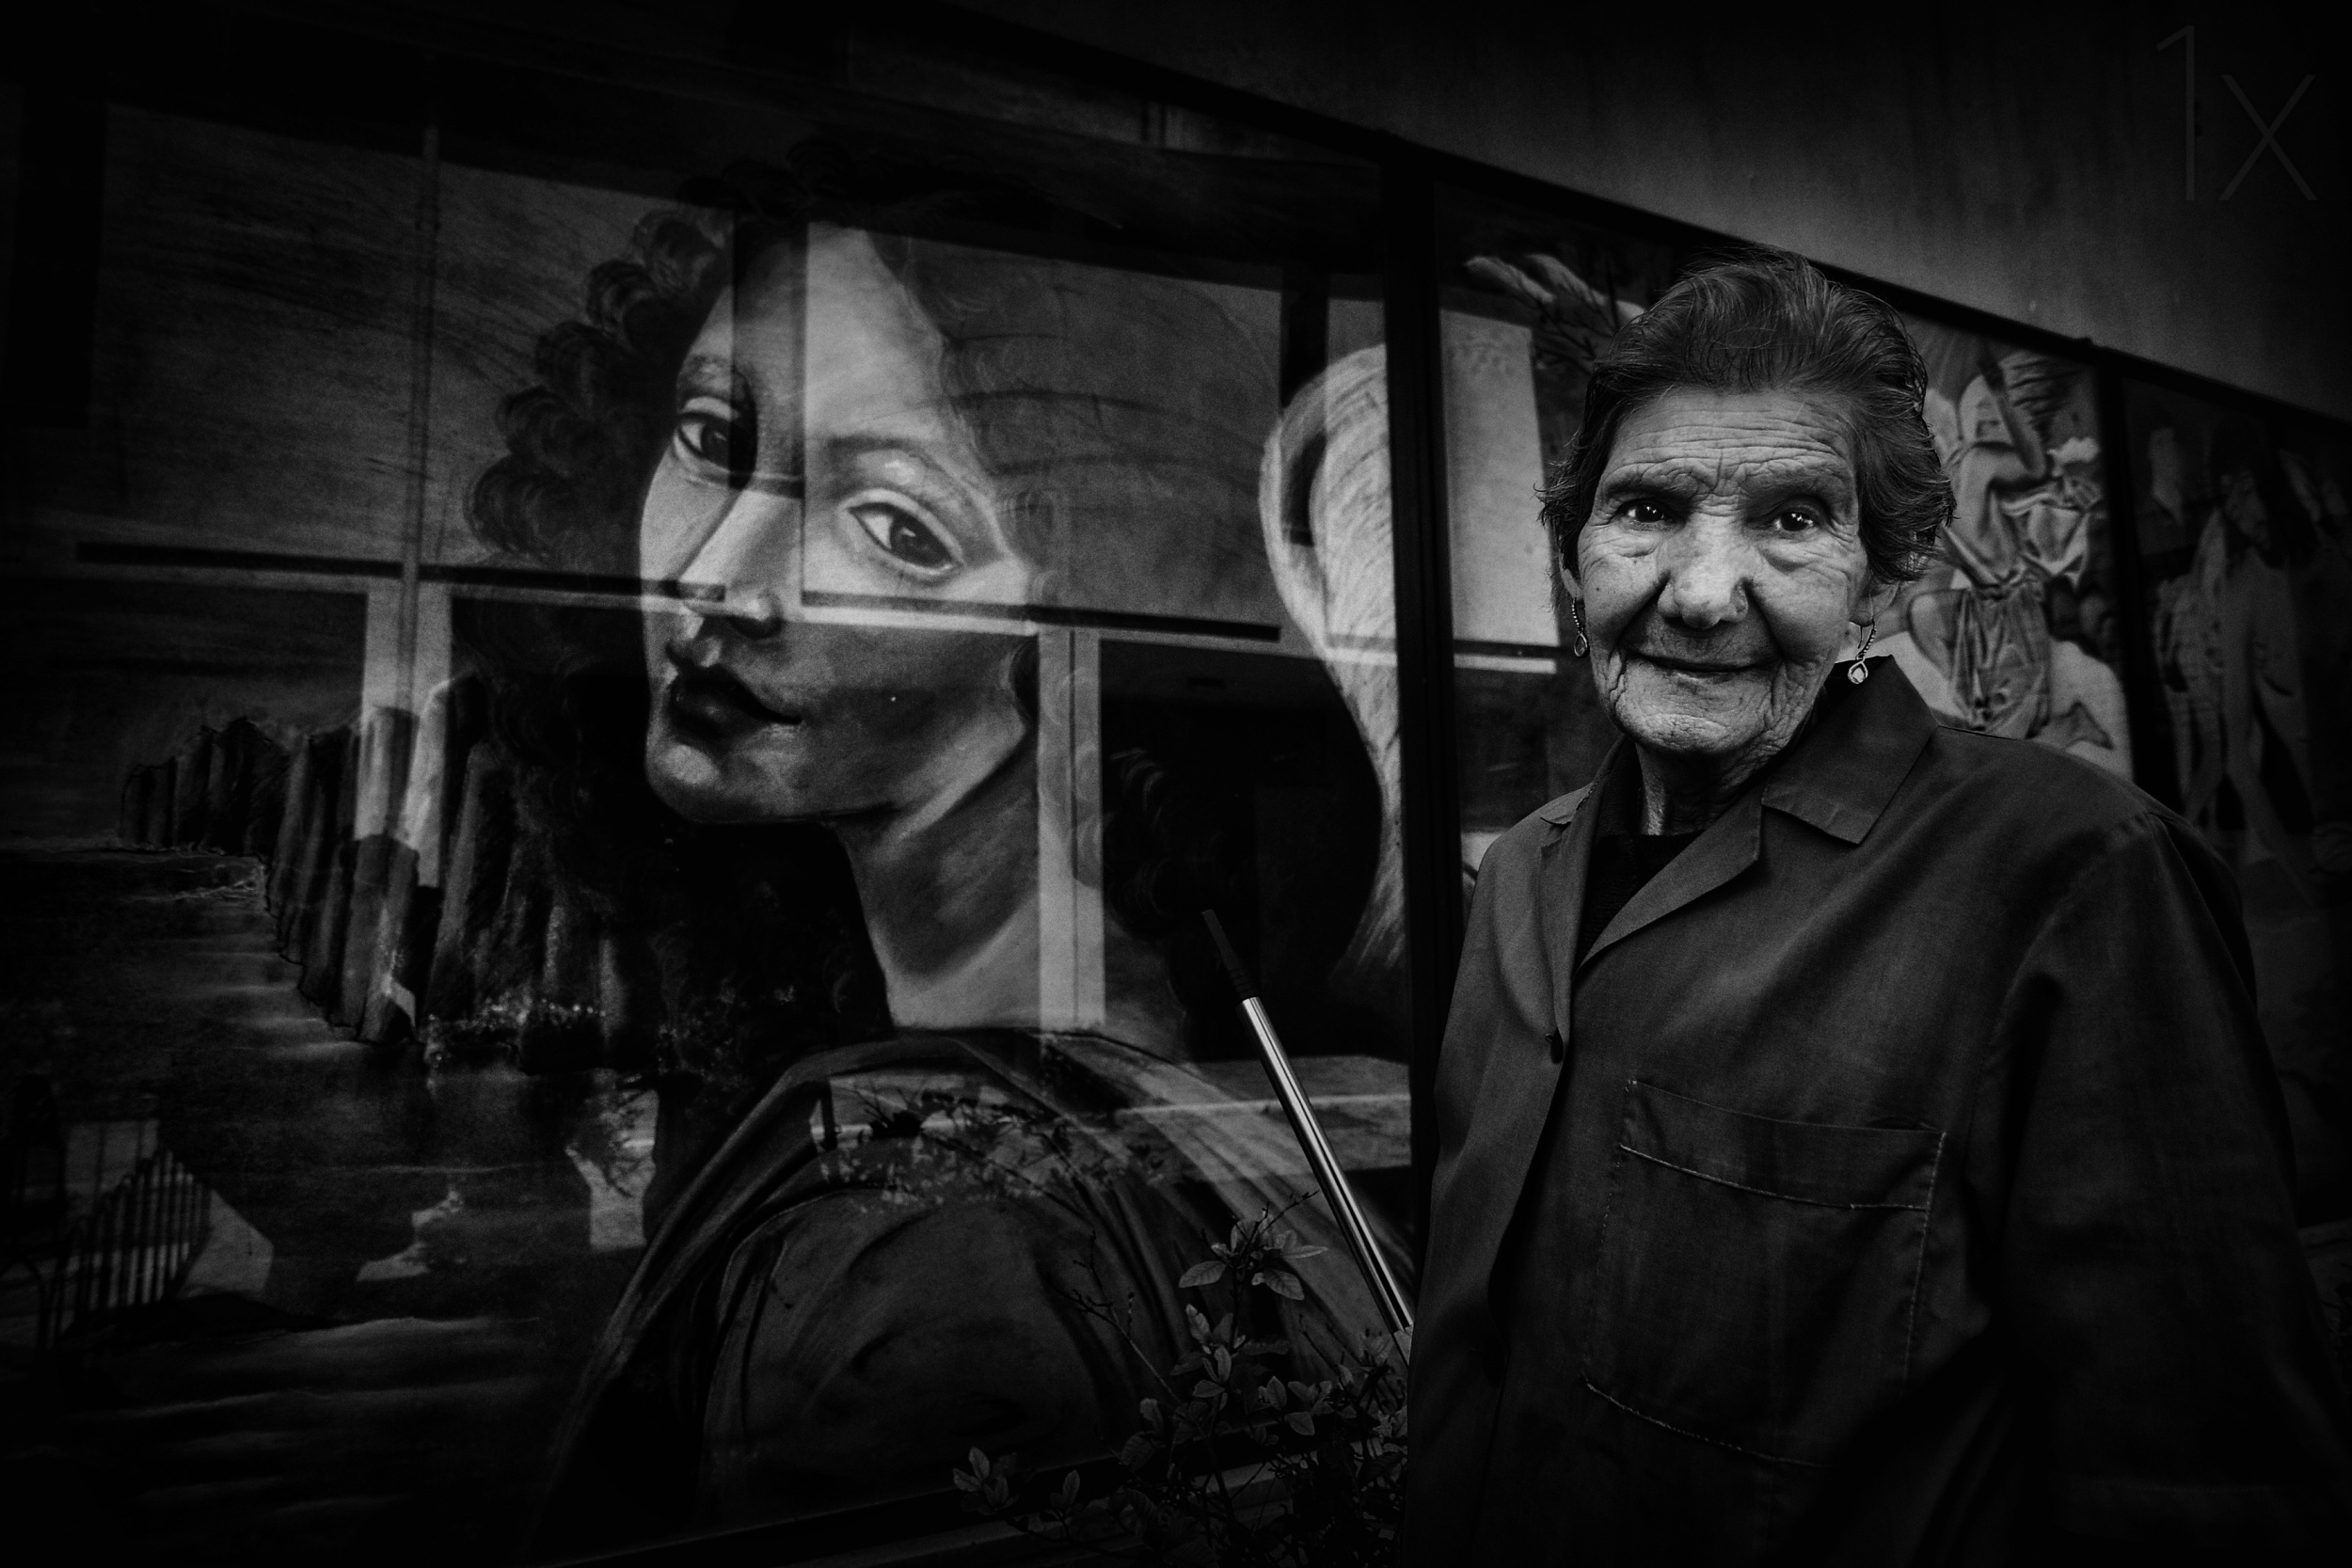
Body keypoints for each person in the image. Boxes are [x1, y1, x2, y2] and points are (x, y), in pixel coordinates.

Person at [474, 158, 1395, 1552]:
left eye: (895, 527)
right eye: (713, 439)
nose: (719, 572)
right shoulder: (1083, 1092)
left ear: (1081, 630)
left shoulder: (924, 1238)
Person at [1407, 248, 2352, 1562]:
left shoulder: (2073, 876)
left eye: (1792, 519)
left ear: (1886, 582)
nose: (1699, 592)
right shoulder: (1521, 874)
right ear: (1574, 561)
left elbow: (2202, 1489)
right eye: (1646, 510)